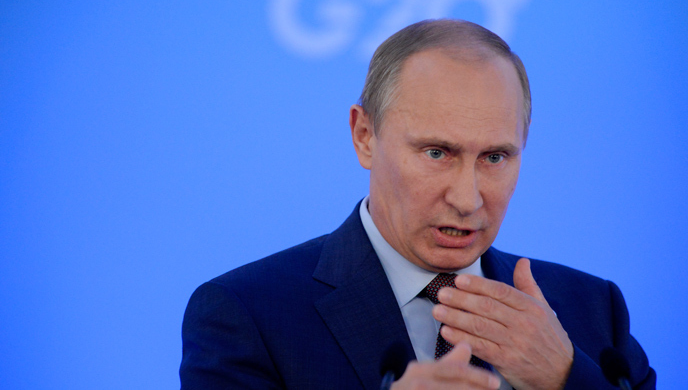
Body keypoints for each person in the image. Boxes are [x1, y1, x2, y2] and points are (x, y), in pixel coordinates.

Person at [180, 20, 655, 389]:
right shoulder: (248, 314)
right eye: (436, 153)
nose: (467, 199)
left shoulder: (592, 310)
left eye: (495, 157)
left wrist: (567, 379)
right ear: (365, 137)